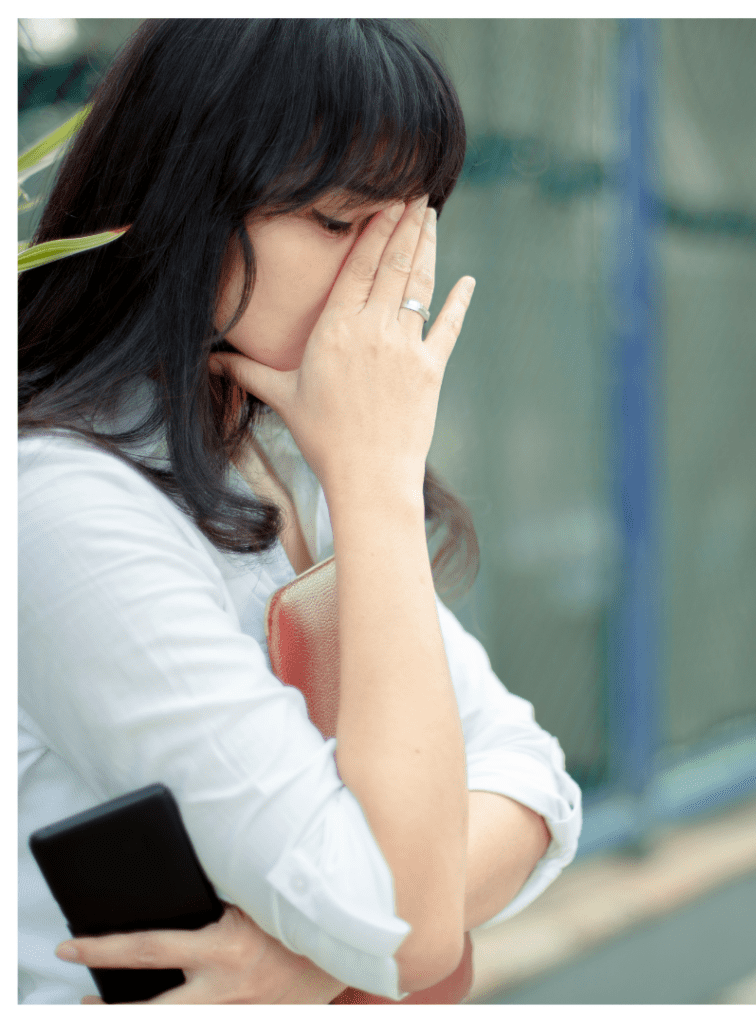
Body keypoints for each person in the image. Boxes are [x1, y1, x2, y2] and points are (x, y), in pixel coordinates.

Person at [19, 19, 581, 1004]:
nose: (390, 276)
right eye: (336, 220)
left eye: (410, 222)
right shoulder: (65, 506)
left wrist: (309, 952)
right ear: (181, 193)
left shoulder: (272, 458)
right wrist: (374, 477)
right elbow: (406, 928)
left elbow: (533, 779)